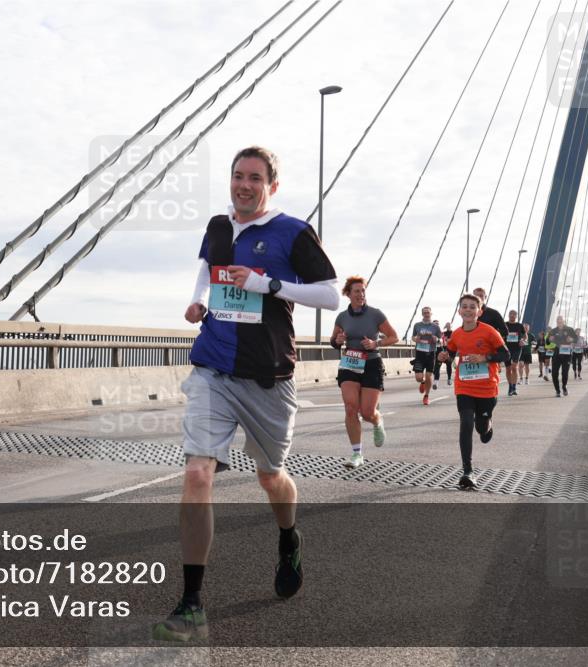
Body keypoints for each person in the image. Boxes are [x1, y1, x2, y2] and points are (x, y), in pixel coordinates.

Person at [153, 146, 340, 642]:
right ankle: (192, 603)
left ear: (271, 186)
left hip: (267, 378)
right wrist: (197, 301)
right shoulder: (218, 226)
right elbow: (206, 269)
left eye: (255, 178)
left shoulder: (292, 231)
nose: (244, 184)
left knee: (271, 478)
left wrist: (268, 284)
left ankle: (288, 538)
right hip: (213, 368)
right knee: (197, 473)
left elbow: (329, 293)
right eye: (238, 175)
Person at [438, 293, 508, 490]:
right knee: (466, 423)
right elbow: (451, 352)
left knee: (481, 430)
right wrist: (444, 356)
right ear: (459, 311)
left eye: (472, 307)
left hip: (487, 388)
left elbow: (505, 354)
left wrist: (485, 358)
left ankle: (487, 425)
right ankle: (468, 471)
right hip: (464, 386)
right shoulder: (457, 334)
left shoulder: (489, 332)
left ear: (479, 311)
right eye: (464, 306)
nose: (468, 310)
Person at [331, 276, 399, 468]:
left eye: (363, 291)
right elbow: (333, 341)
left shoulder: (375, 314)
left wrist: (375, 343)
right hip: (350, 363)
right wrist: (338, 340)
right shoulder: (342, 317)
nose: (361, 294)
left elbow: (394, 337)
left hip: (371, 364)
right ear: (348, 294)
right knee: (350, 408)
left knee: (367, 412)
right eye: (357, 291)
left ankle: (377, 421)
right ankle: (357, 454)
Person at [411, 306, 441, 405]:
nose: (426, 314)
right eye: (424, 312)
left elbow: (441, 339)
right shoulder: (417, 325)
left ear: (431, 314)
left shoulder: (435, 327)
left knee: (429, 376)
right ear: (422, 314)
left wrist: (436, 339)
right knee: (418, 378)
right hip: (420, 353)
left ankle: (426, 396)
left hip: (430, 353)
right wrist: (416, 339)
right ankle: (423, 382)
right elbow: (413, 337)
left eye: (428, 312)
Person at [546, 316, 577, 397]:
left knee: (565, 372)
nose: (559, 322)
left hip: (567, 354)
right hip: (556, 354)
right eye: (558, 321)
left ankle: (564, 387)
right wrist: (549, 339)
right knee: (554, 373)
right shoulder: (553, 331)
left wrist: (572, 340)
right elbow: (547, 342)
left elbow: (576, 339)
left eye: (561, 321)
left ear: (564, 321)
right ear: (556, 322)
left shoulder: (569, 329)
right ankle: (557, 390)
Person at [503, 310, 526, 396]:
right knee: (508, 369)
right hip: (506, 349)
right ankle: (510, 386)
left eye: (514, 314)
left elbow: (525, 335)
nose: (512, 315)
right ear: (508, 315)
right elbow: (499, 334)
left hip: (517, 348)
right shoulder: (504, 325)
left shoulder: (519, 325)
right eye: (511, 314)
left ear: (516, 316)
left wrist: (523, 340)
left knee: (514, 367)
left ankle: (514, 387)